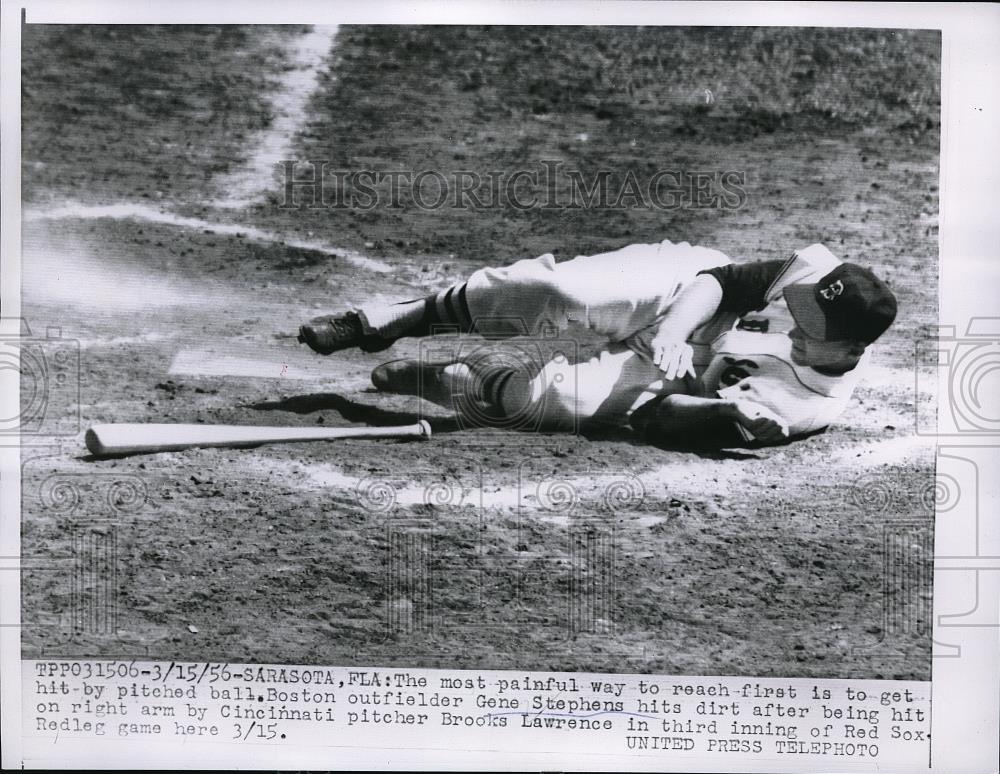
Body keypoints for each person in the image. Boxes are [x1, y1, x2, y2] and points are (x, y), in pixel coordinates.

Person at [297, 239, 897, 447]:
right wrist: (671, 331)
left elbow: (659, 421)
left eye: (811, 325)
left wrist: (719, 413)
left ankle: (446, 378)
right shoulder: (814, 272)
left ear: (844, 351)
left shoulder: (804, 408)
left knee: (553, 403)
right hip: (684, 293)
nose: (798, 317)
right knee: (563, 294)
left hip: (678, 379)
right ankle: (403, 316)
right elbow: (719, 280)